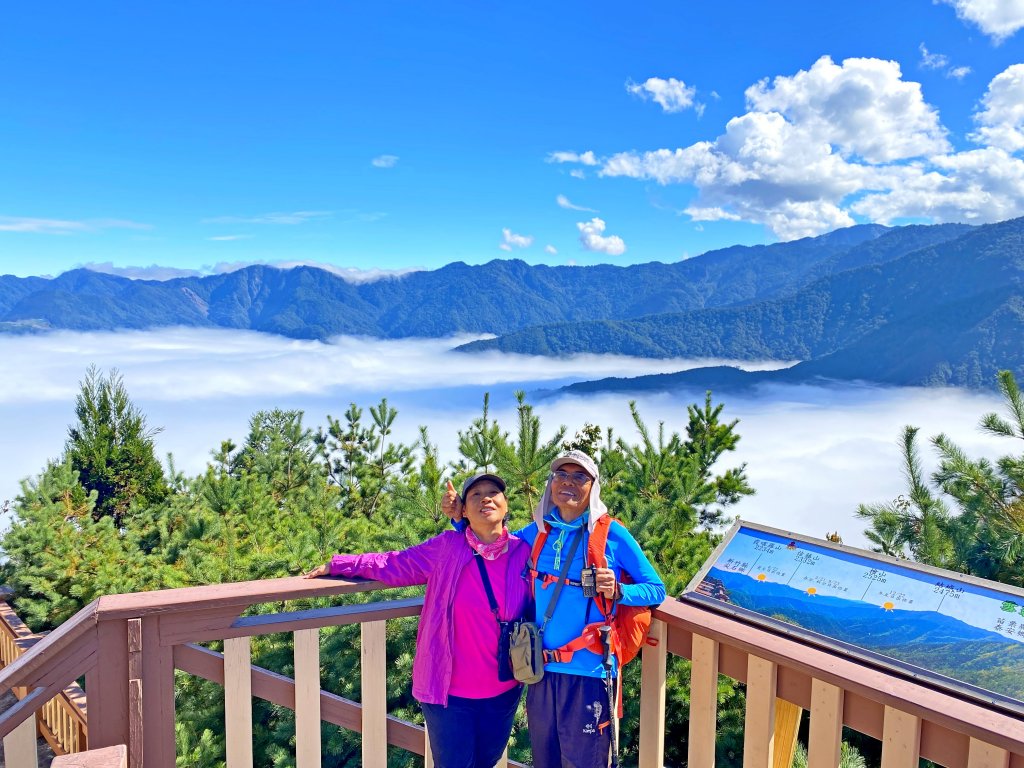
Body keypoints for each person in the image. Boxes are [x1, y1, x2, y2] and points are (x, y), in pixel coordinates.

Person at [443, 449, 665, 768]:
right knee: (545, 761)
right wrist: (459, 517)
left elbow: (656, 589)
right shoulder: (538, 532)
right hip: (542, 672)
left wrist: (619, 590)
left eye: (579, 476)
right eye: (561, 475)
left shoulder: (611, 533)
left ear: (593, 486)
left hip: (591, 671)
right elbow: (488, 547)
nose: (568, 483)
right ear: (551, 484)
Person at [306, 473, 531, 768]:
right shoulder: (447, 548)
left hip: (504, 689)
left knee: (487, 763)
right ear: (463, 510)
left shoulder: (525, 552)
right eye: (476, 495)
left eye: (494, 492)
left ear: (506, 505)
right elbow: (393, 563)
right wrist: (340, 564)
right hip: (449, 695)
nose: (486, 498)